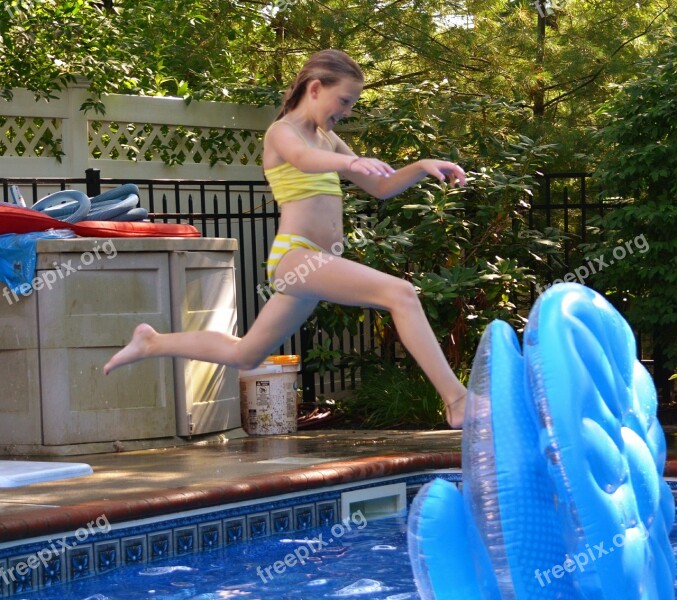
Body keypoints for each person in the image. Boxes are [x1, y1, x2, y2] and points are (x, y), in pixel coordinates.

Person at [104, 49, 467, 428]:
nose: (346, 110)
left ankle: (153, 342)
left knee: (246, 354)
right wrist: (349, 162)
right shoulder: (283, 133)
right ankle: (456, 400)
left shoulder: (327, 138)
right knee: (400, 293)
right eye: (344, 100)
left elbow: (381, 187)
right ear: (314, 88)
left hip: (318, 263)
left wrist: (423, 166)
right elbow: (303, 160)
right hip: (297, 257)